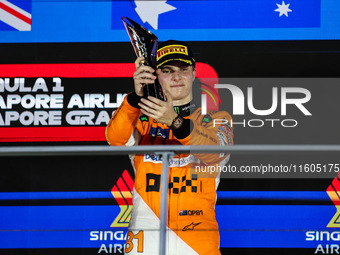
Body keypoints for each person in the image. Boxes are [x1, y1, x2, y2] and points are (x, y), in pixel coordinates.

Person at [106, 40, 233, 255]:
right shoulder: (141, 120)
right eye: (167, 70)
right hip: (145, 238)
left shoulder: (216, 119)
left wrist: (175, 121)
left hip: (196, 243)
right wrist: (135, 98)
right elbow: (115, 139)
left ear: (194, 73)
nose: (176, 77)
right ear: (155, 76)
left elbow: (215, 153)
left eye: (183, 69)